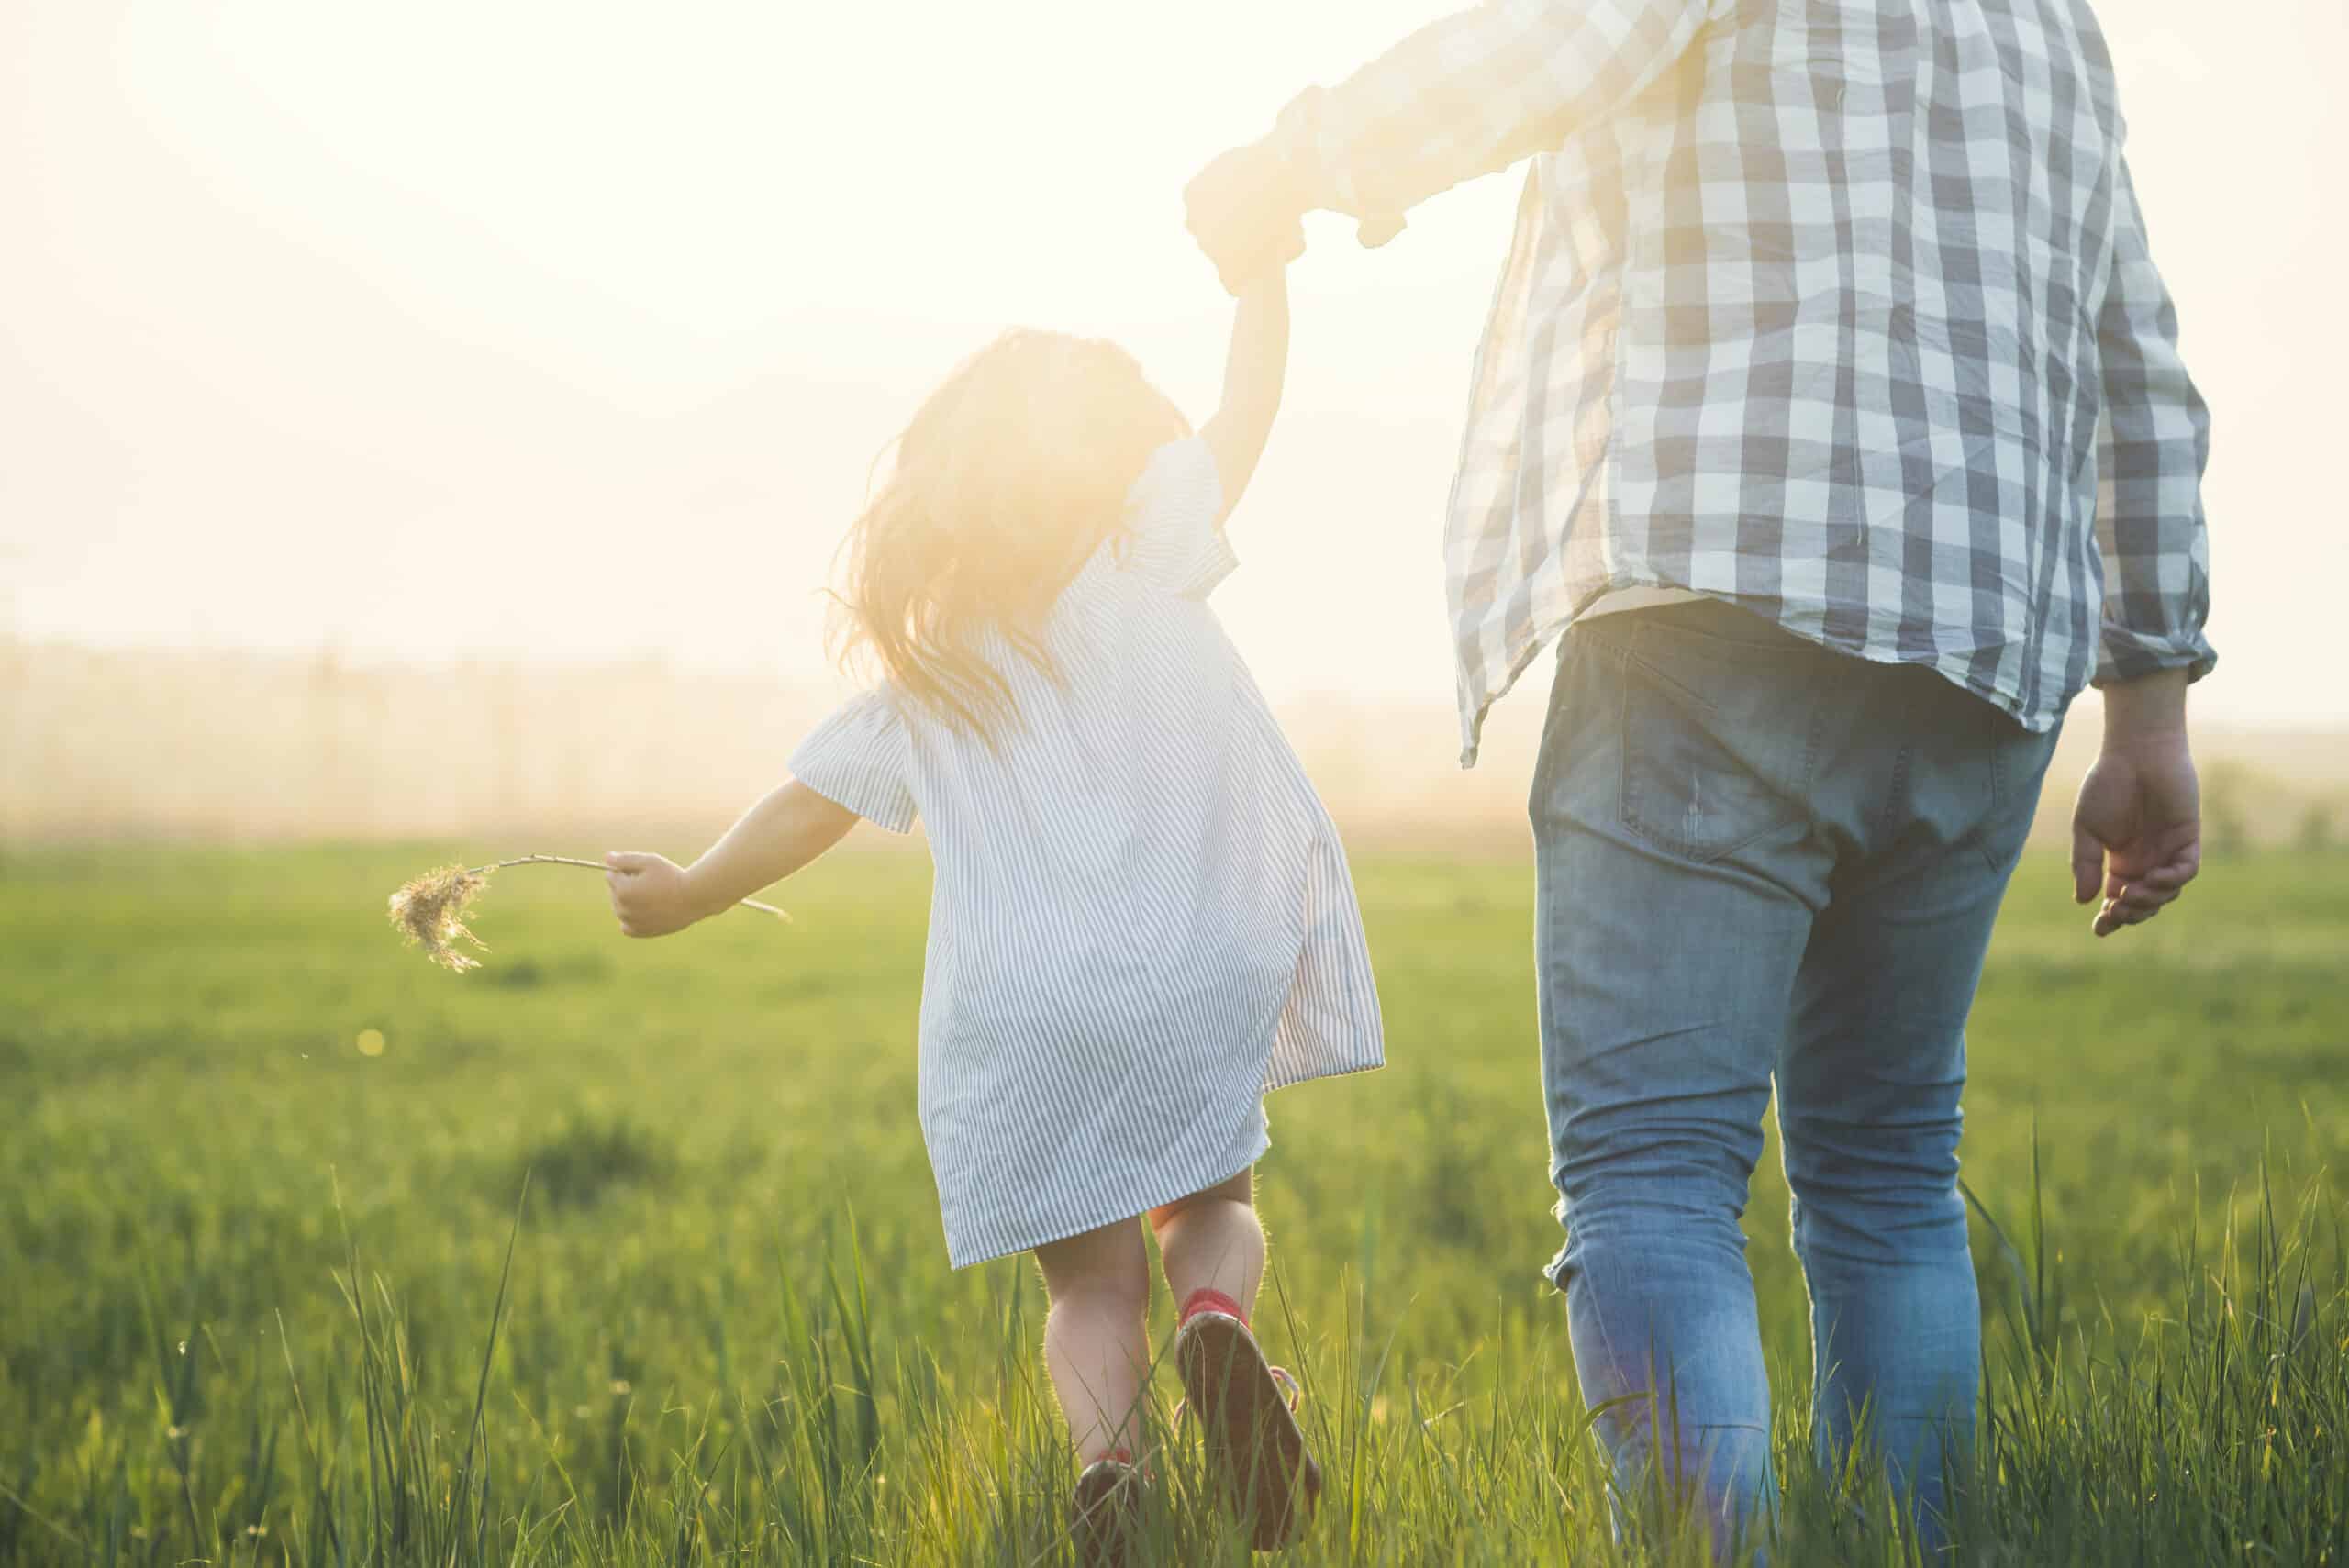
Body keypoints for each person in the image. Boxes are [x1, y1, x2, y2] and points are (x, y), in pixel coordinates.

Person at [1186, 0, 2210, 1555]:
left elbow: (1544, 50)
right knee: (1889, 1170)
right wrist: (2150, 711)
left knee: (1656, 1169)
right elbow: (2137, 360)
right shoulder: (2051, 24)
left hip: (1713, 601)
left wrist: (1297, 160)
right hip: (1988, 655)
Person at [602, 267, 1380, 1563]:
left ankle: (1110, 1460)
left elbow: (810, 802)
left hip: (1026, 1011)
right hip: (1189, 968)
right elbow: (1249, 407)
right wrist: (1260, 275)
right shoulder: (1153, 549)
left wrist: (690, 890)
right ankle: (1218, 1324)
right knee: (1208, 1202)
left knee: (1085, 1280)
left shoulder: (941, 655)